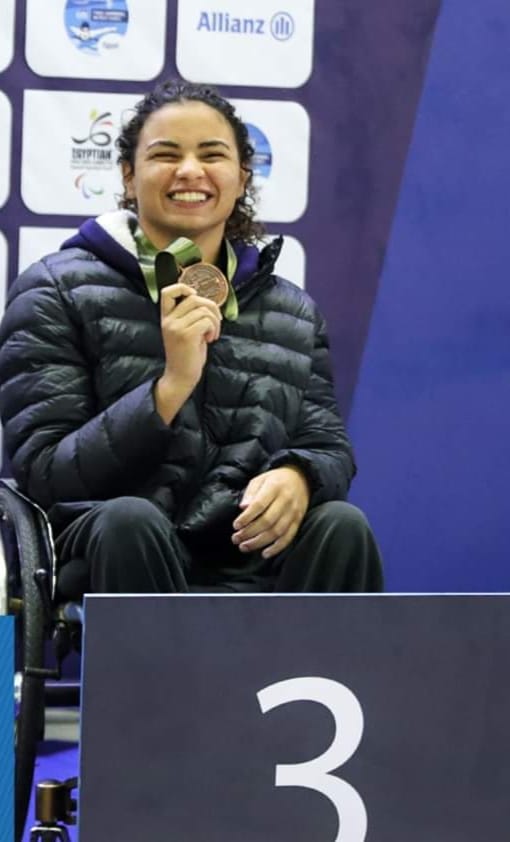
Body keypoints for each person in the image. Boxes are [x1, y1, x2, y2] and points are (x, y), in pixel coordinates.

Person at [0, 80, 383, 596]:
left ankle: (326, 656)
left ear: (242, 178)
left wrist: (300, 475)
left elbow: (327, 445)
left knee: (341, 525)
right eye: (166, 155)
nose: (189, 171)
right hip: (116, 545)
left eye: (212, 155)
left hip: (246, 550)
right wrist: (170, 387)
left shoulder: (291, 311)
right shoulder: (55, 291)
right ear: (129, 175)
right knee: (130, 520)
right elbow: (47, 475)